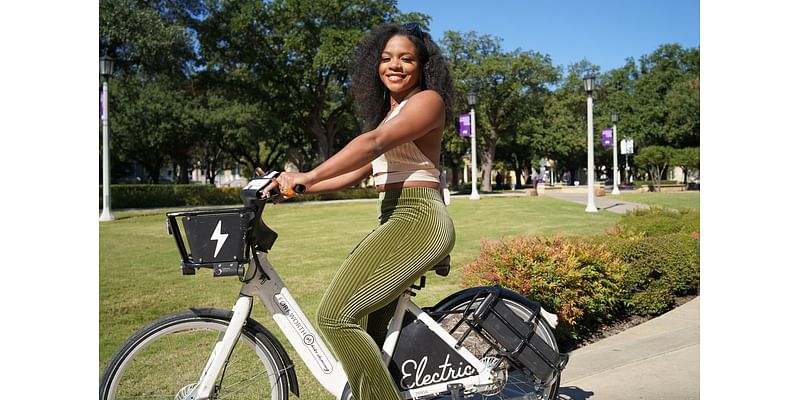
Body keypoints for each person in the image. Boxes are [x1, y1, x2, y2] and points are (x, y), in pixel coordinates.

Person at [262, 23, 456, 399]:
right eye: (386, 59)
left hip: (420, 220)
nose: (394, 66)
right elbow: (358, 172)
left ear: (422, 66)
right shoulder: (393, 113)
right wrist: (295, 187)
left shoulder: (428, 101)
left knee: (335, 316)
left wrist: (309, 173)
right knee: (367, 328)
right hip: (396, 217)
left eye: (405, 58)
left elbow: (373, 144)